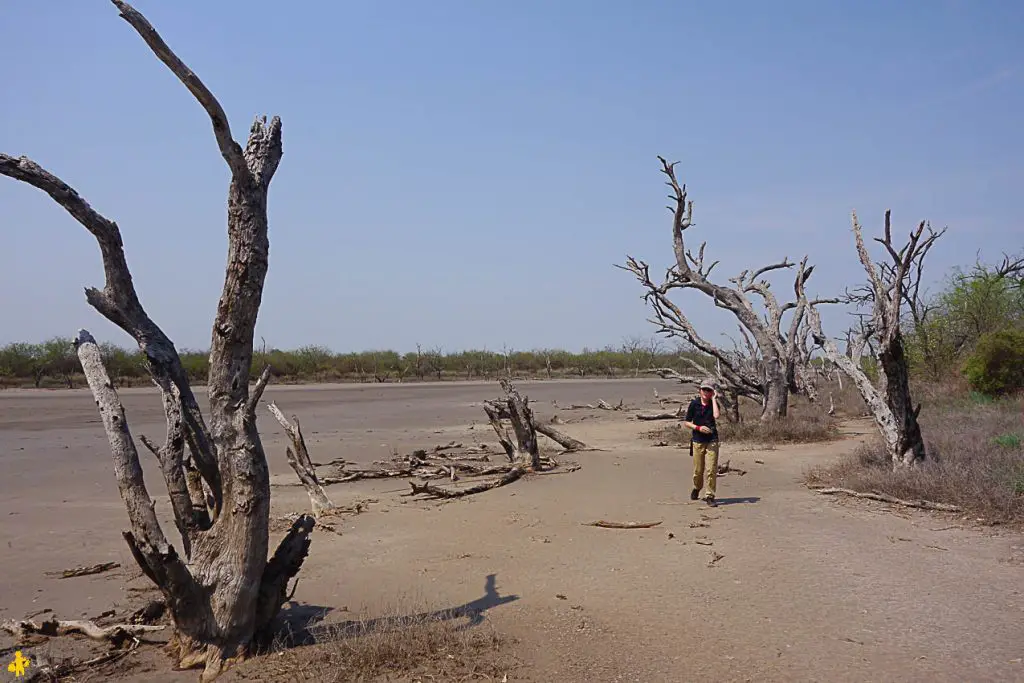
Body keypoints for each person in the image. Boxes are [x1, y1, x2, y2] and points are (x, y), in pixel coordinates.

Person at [682, 379, 721, 506]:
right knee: (698, 470)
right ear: (700, 391)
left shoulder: (713, 403)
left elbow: (716, 416)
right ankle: (697, 487)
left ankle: (710, 495)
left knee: (711, 469)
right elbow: (687, 422)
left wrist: (714, 399)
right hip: (698, 440)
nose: (706, 392)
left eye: (709, 390)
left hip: (712, 439)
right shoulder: (694, 404)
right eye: (704, 389)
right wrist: (698, 428)